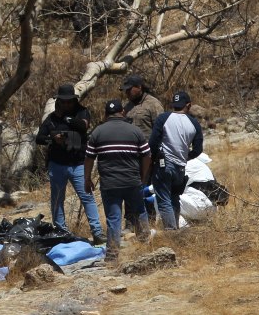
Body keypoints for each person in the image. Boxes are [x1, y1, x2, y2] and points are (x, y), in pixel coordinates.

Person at [36, 84, 106, 245]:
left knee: (87, 197)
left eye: (69, 102)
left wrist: (67, 119)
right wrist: (53, 139)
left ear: (74, 101)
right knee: (57, 199)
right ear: (58, 101)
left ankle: (97, 232)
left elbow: (83, 126)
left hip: (78, 164)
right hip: (57, 164)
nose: (67, 105)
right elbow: (39, 138)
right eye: (63, 102)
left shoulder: (82, 112)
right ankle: (61, 232)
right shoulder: (52, 119)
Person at [85, 99, 152, 260]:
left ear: (106, 114)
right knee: (139, 212)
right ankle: (146, 248)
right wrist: (143, 176)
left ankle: (113, 255)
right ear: (122, 112)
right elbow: (147, 155)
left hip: (110, 184)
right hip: (132, 180)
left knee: (113, 218)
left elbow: (88, 158)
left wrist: (86, 179)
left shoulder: (97, 132)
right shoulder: (135, 131)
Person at [149, 91, 204, 230]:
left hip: (164, 164)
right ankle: (175, 229)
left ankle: (171, 232)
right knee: (174, 198)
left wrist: (155, 158)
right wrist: (186, 157)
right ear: (189, 105)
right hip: (180, 167)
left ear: (173, 104)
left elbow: (152, 142)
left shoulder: (163, 118)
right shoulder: (194, 123)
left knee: (164, 199)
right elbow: (197, 150)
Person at [120, 74, 164, 229]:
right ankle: (131, 222)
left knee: (148, 189)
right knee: (130, 189)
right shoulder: (127, 107)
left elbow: (161, 130)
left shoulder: (153, 104)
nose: (127, 93)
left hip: (149, 156)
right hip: (130, 157)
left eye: (129, 90)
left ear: (139, 87)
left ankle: (150, 220)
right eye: (125, 91)